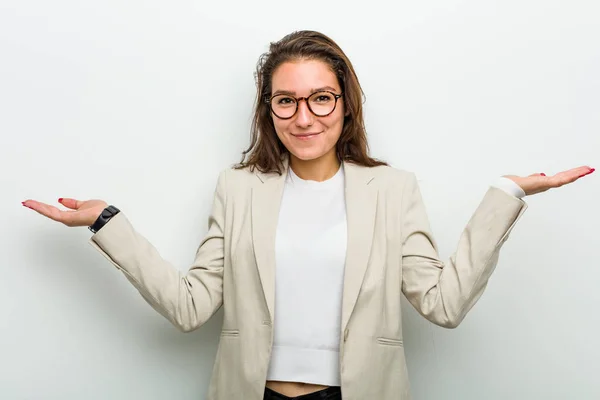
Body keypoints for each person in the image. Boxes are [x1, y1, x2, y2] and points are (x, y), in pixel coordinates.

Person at [22, 30, 594, 400]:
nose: (305, 117)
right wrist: (107, 223)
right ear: (268, 110)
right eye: (286, 100)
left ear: (345, 105)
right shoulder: (239, 188)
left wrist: (505, 195)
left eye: (322, 97)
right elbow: (189, 306)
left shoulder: (392, 190)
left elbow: (442, 306)